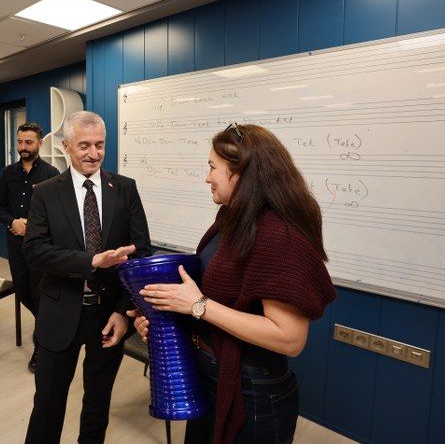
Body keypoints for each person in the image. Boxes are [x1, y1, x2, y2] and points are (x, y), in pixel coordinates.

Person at [131, 124, 336, 444]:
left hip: (253, 393)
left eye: (213, 167)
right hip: (212, 376)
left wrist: (198, 306)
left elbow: (290, 339)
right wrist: (167, 317)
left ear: (239, 174)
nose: (207, 177)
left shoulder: (279, 236)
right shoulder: (231, 219)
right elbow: (218, 300)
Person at [22, 110, 151, 444]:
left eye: (99, 145)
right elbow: (34, 250)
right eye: (84, 145)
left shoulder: (125, 188)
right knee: (47, 407)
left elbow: (141, 254)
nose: (94, 153)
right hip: (59, 313)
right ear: (66, 146)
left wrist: (123, 312)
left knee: (97, 404)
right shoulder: (46, 192)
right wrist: (90, 261)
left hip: (109, 317)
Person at [0, 121, 59, 372]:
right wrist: (12, 222)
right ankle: (45, 325)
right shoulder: (7, 173)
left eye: (29, 142)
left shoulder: (52, 174)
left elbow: (58, 213)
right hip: (14, 244)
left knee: (40, 293)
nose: (23, 147)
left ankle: (42, 344)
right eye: (20, 142)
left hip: (40, 246)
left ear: (39, 143)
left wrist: (32, 226)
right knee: (23, 291)